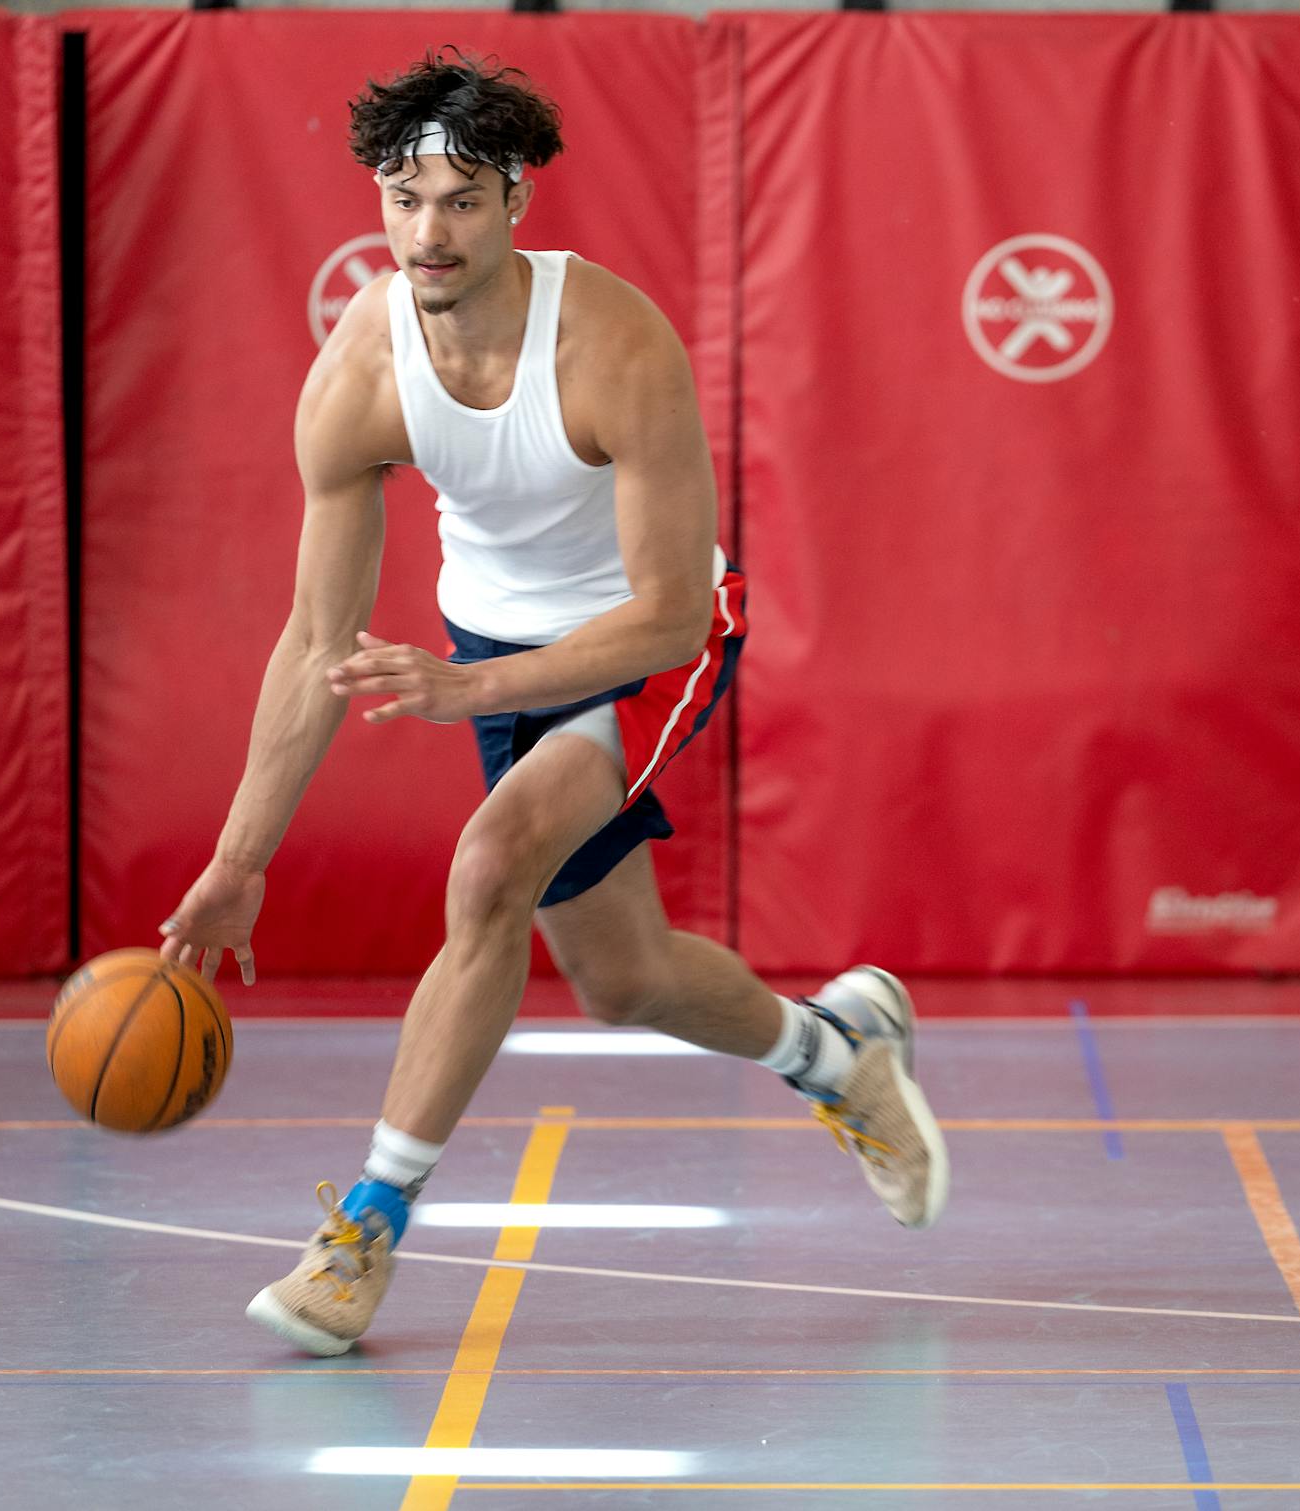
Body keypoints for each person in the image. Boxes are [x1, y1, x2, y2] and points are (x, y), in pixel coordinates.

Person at [157, 50, 948, 1358]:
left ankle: (363, 1231)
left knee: (487, 874)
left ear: (518, 201)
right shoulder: (360, 371)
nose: (429, 230)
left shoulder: (613, 343)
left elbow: (668, 615)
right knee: (621, 978)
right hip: (498, 650)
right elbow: (315, 642)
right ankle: (839, 1052)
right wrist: (241, 862)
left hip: (650, 647)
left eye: (462, 199)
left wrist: (471, 688)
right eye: (404, 198)